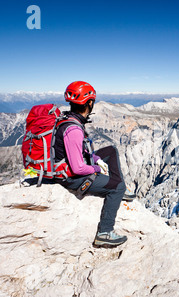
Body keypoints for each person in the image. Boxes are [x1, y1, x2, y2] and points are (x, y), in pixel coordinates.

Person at [54, 81, 135, 248]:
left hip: (66, 169)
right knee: (117, 187)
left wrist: (94, 157)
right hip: (71, 178)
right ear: (89, 103)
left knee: (111, 151)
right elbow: (77, 168)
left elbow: (74, 152)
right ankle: (104, 232)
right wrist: (97, 168)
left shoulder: (68, 119)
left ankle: (119, 187)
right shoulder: (74, 129)